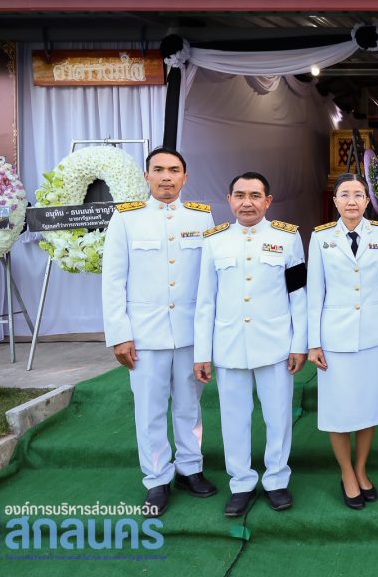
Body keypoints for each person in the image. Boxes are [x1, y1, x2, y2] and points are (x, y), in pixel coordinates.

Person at [102, 147, 218, 516]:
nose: (166, 177)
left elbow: (208, 280)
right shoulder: (126, 219)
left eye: (174, 170)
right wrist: (119, 333)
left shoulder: (202, 218)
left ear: (185, 177)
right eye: (159, 170)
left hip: (189, 333)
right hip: (144, 335)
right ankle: (156, 478)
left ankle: (190, 468)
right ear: (146, 176)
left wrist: (208, 337)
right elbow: (113, 280)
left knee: (189, 406)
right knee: (149, 410)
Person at [193, 172, 308, 517]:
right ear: (228, 200)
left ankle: (276, 480)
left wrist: (299, 343)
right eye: (240, 195)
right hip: (229, 345)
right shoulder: (214, 240)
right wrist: (202, 352)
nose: (247, 202)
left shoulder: (287, 238)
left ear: (268, 201)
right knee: (234, 419)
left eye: (255, 195)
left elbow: (298, 295)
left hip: (274, 344)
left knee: (278, 417)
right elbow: (205, 300)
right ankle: (241, 483)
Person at [307, 173, 378, 510]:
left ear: (368, 200)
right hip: (335, 335)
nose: (352, 201)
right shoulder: (321, 239)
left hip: (374, 333)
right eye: (345, 195)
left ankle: (361, 468)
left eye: (359, 195)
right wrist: (313, 342)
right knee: (338, 408)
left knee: (368, 406)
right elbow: (314, 293)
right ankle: (346, 472)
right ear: (335, 201)